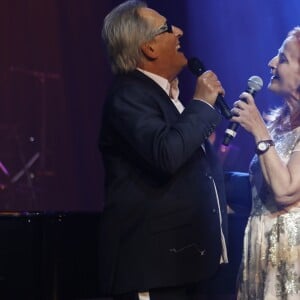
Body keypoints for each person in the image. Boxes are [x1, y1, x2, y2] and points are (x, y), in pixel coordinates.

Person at [98, 1, 229, 300]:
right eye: (168, 28)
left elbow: (198, 174)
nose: (180, 31)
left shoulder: (166, 97)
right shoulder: (128, 94)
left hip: (189, 267)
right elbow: (166, 154)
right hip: (155, 271)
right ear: (150, 48)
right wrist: (201, 105)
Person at [231, 27, 300, 299]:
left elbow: (286, 190)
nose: (271, 63)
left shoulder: (265, 130)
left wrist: (258, 129)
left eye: (283, 59)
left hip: (292, 253)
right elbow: (261, 192)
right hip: (259, 248)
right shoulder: (278, 124)